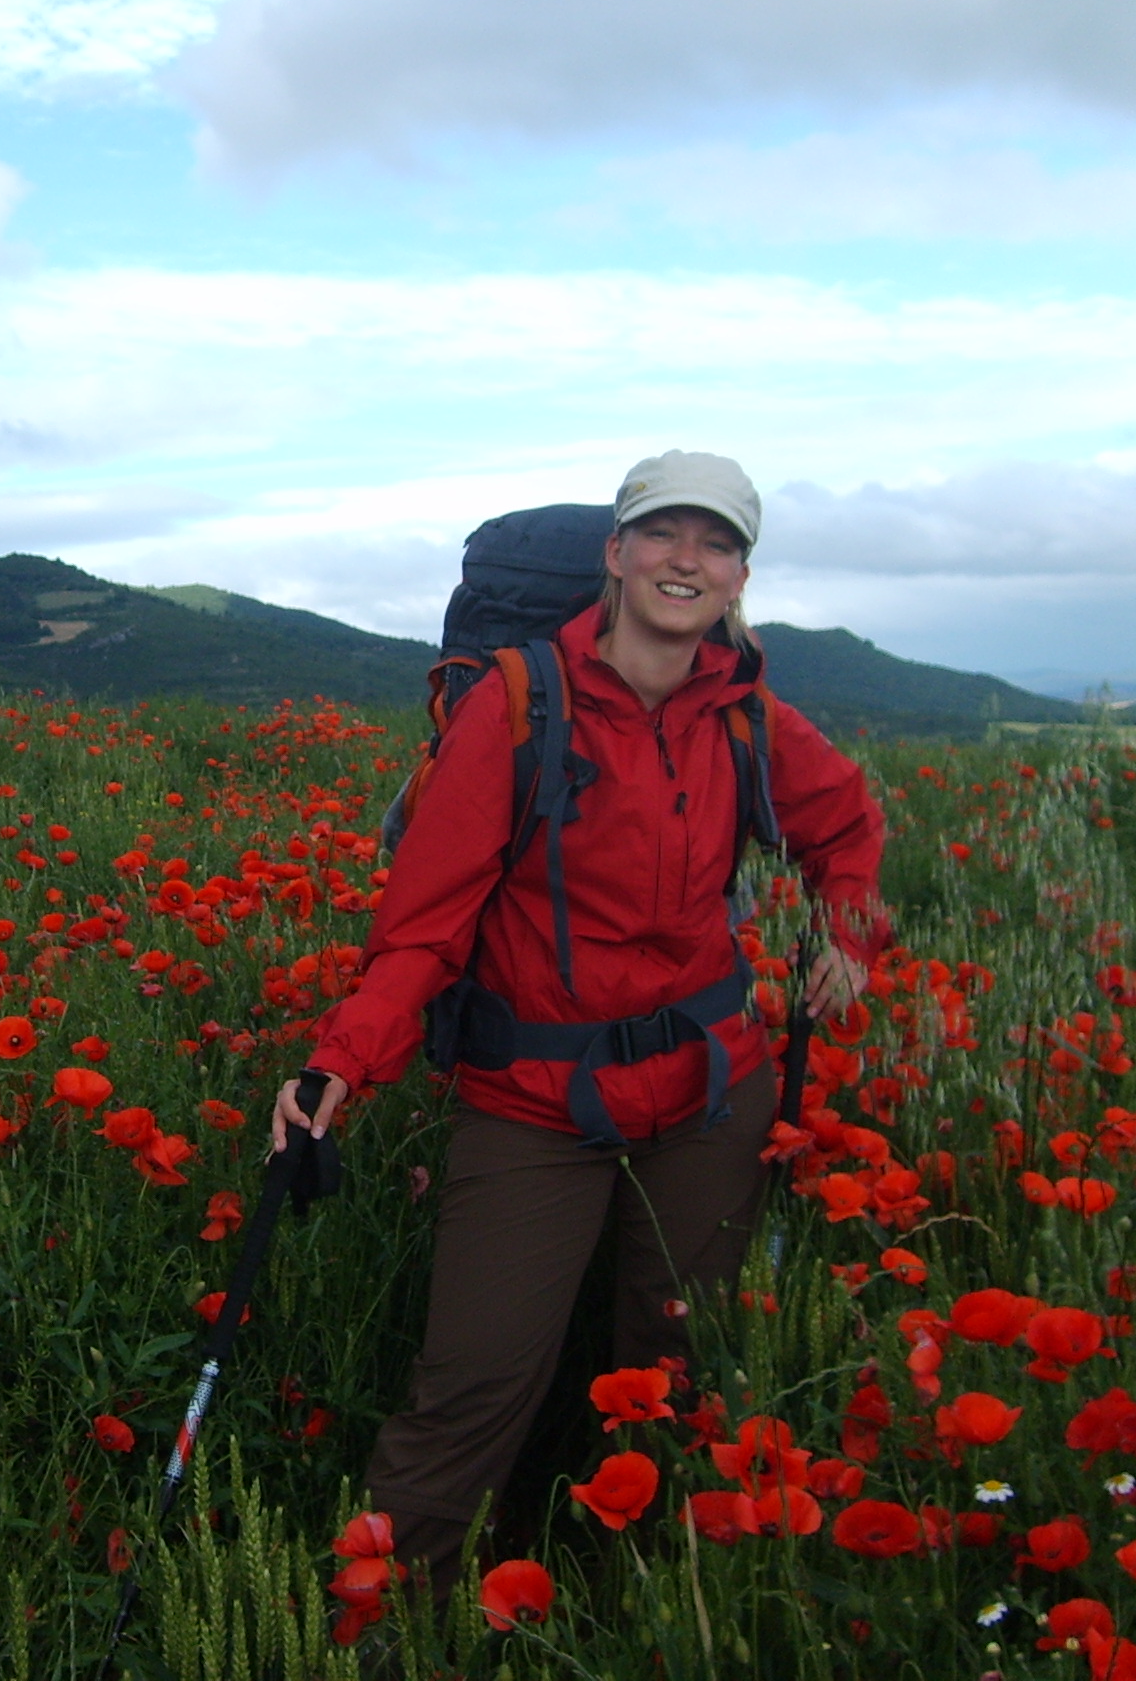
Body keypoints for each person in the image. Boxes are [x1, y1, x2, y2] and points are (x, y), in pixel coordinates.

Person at [272, 449, 888, 1587]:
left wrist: (845, 939)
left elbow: (847, 827)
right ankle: (375, 1628)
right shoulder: (516, 708)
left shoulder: (746, 716)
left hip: (710, 1089)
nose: (685, 559)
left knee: (677, 1367)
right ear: (615, 554)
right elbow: (424, 926)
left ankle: (648, 1605)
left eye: (715, 542)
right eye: (663, 534)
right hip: (534, 1101)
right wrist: (339, 1064)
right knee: (474, 1383)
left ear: (739, 575)